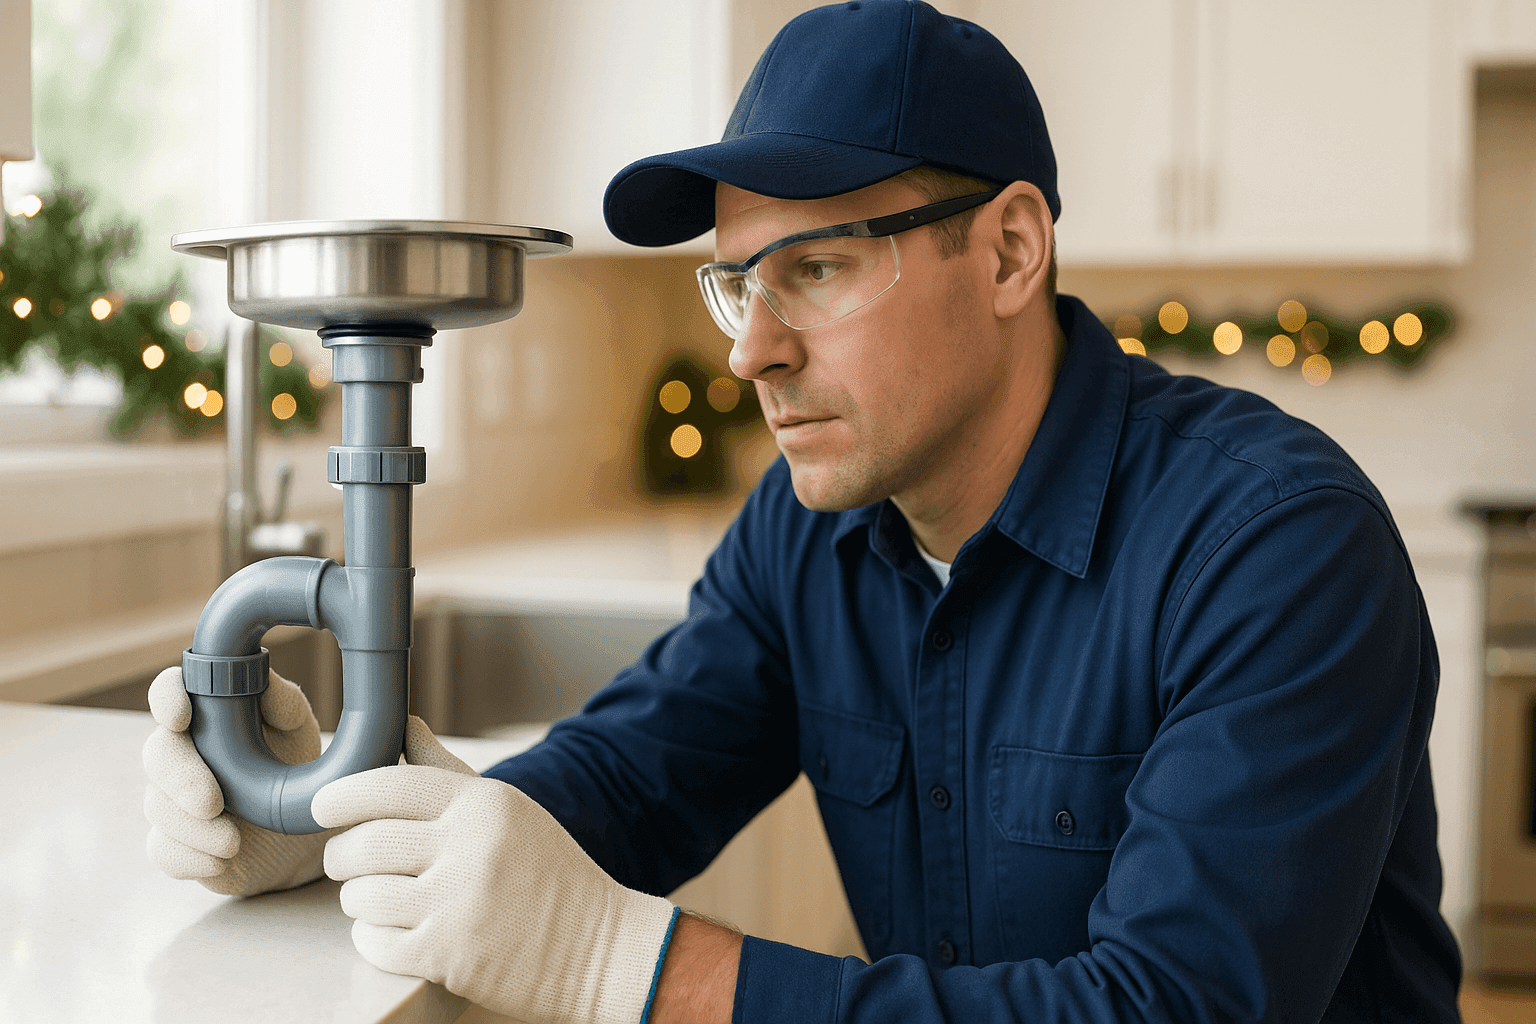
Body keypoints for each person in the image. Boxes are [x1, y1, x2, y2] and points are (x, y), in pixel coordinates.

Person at [142, 2, 1465, 1021]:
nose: (749, 353)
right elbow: (629, 774)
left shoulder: (1275, 549)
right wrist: (317, 829)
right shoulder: (812, 525)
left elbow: (1170, 1009)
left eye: (817, 269)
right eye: (735, 286)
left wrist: (634, 969)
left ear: (1007, 250)